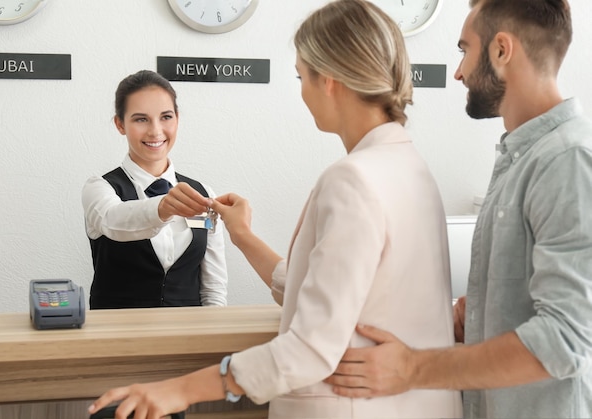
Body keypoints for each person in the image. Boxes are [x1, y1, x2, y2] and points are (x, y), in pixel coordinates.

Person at [88, 1, 462, 418]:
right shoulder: (412, 168)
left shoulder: (352, 179)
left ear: (330, 80)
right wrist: (243, 235)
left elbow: (310, 346)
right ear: (120, 124)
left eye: (302, 76)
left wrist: (180, 390)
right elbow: (318, 290)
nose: (301, 92)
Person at [326, 1, 592, 418]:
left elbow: (565, 340)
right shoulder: (521, 158)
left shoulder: (567, 160)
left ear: (502, 50)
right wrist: (483, 313)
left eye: (464, 49)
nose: (459, 72)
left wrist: (412, 368)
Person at [82, 70, 228, 311]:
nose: (155, 131)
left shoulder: (202, 194)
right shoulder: (99, 188)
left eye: (166, 117)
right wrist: (162, 208)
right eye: (141, 119)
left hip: (188, 339)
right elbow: (113, 220)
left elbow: (213, 286)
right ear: (120, 124)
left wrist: (211, 336)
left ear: (177, 119)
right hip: (116, 339)